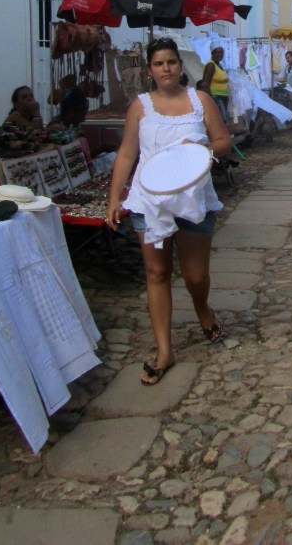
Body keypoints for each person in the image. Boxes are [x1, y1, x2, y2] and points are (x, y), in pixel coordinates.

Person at [106, 36, 232, 385]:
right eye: (159, 63)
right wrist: (114, 198)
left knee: (194, 275)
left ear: (180, 66)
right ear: (150, 70)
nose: (166, 68)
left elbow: (224, 141)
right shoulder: (140, 106)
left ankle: (203, 311)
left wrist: (203, 145)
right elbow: (127, 154)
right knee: (156, 273)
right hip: (150, 201)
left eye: (171, 62)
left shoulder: (200, 100)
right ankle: (164, 350)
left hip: (194, 199)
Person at [201, 42, 229, 121]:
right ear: (212, 53)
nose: (220, 55)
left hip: (223, 97)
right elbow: (205, 83)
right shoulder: (211, 65)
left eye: (221, 52)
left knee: (223, 120)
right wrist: (212, 101)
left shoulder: (219, 65)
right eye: (218, 52)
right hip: (216, 97)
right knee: (221, 121)